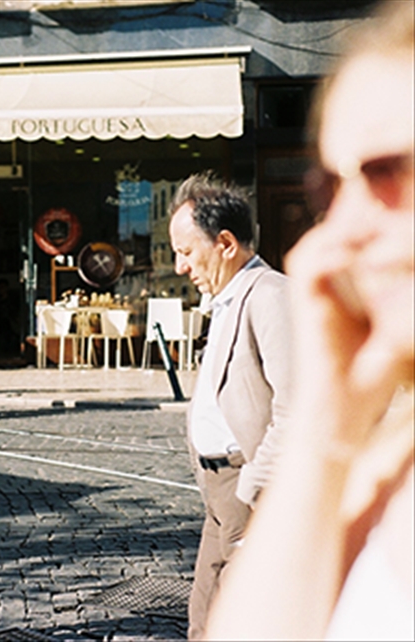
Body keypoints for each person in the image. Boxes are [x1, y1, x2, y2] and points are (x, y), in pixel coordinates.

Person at [205, 3, 414, 639]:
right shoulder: (387, 458)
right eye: (332, 188)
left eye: (385, 172)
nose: (339, 233)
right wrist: (329, 420)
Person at [167, 172, 293, 639]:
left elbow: (295, 410)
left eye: (185, 251)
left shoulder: (271, 295)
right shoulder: (224, 298)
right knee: (204, 619)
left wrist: (252, 491)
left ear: (224, 243)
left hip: (245, 489)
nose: (181, 266)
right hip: (218, 494)